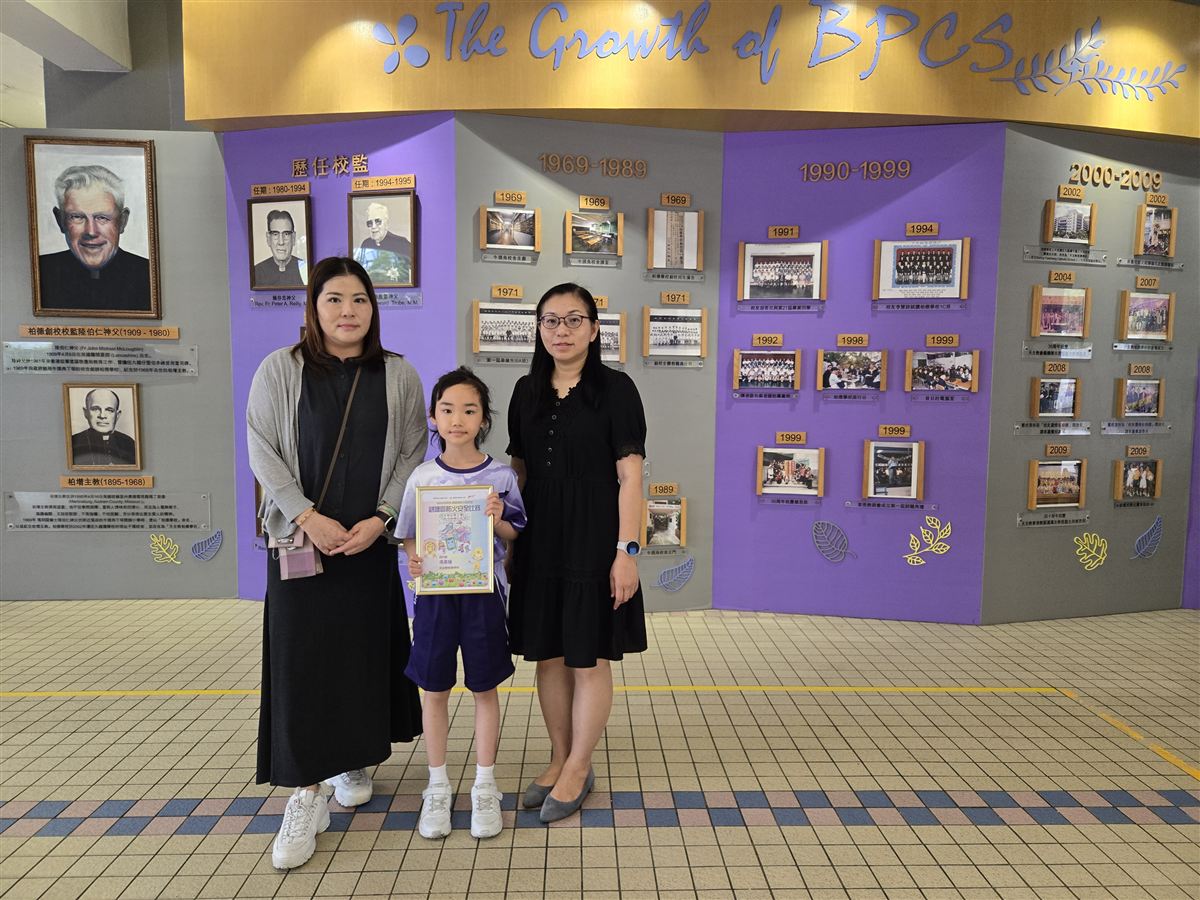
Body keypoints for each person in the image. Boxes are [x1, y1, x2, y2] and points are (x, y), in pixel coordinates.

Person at [246, 256, 426, 870]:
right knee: (301, 661)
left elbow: (411, 452)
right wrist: (306, 516)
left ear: (373, 308)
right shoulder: (280, 369)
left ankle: (353, 759)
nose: (348, 311)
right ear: (313, 308)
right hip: (302, 543)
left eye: (359, 300)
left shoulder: (398, 374)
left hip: (367, 543)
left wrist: (381, 519)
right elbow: (261, 448)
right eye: (334, 299)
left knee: (360, 655)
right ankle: (306, 790)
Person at [506, 282, 648, 824]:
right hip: (540, 537)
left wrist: (626, 551)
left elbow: (631, 477)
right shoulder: (526, 390)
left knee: (587, 657)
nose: (560, 331)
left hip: (594, 538)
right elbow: (518, 472)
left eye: (573, 319)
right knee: (548, 654)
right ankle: (560, 757)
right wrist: (507, 540)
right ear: (538, 329)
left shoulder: (616, 389)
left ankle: (580, 764)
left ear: (593, 328)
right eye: (550, 320)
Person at [396, 367, 526, 841]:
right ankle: (437, 785)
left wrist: (499, 516)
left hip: (483, 596)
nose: (457, 419)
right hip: (435, 599)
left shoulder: (501, 475)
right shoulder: (422, 476)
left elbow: (514, 533)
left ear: (483, 419)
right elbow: (408, 536)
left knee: (484, 688)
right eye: (447, 409)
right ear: (433, 417)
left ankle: (485, 785)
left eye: (469, 410)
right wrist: (414, 561)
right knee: (433, 689)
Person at [38, 165, 152, 313]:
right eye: (77, 217)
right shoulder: (40, 271)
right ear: (61, 221)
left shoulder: (149, 275)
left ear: (122, 221)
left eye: (102, 218)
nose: (91, 231)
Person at [70, 387, 137, 466]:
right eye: (95, 409)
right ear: (86, 413)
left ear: (117, 415)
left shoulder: (129, 444)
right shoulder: (73, 442)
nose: (102, 416)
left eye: (109, 410)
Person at [354, 201, 413, 284]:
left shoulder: (402, 243)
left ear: (386, 223)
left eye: (378, 221)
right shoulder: (366, 244)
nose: (373, 226)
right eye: (370, 223)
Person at [253, 210, 307, 288]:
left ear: (293, 238)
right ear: (268, 238)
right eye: (275, 234)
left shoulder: (305, 269)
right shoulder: (257, 272)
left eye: (286, 234)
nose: (281, 242)